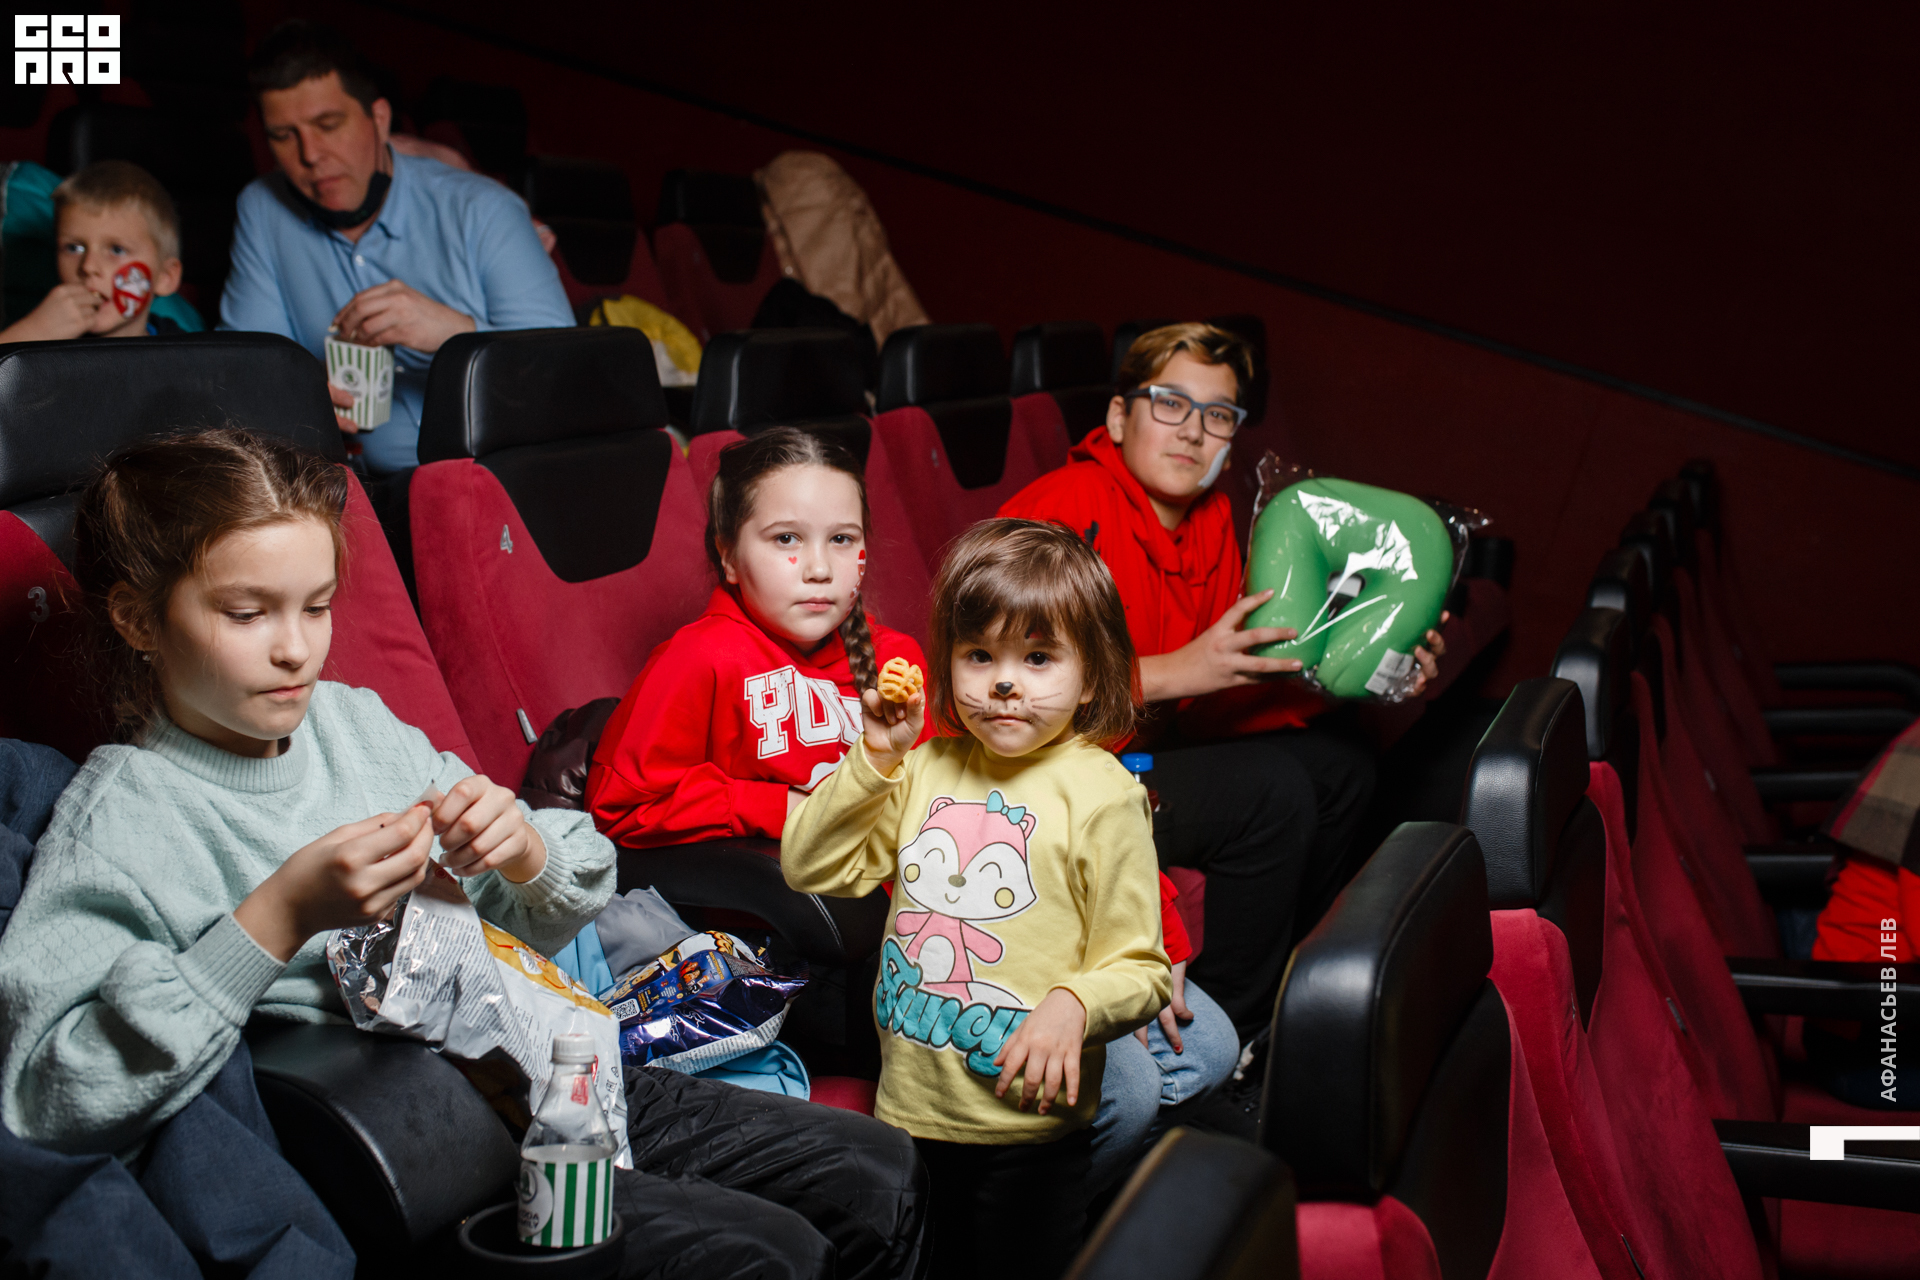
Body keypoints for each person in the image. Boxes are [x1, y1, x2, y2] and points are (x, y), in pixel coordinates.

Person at [0, 427, 925, 1280]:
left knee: (878, 1173)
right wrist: (274, 920)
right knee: (772, 1258)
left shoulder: (353, 723)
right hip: (427, 1144)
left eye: (317, 608)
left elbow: (552, 902)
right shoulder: (123, 817)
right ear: (138, 621)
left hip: (545, 1068)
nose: (296, 651)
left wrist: (521, 851)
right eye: (247, 614)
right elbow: (42, 1098)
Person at [997, 323, 1447, 1040]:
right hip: (1047, 775)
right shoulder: (1061, 510)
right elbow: (1005, 690)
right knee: (1271, 791)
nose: (1192, 431)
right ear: (1120, 417)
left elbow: (1217, 688)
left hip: (1138, 751)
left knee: (1342, 766)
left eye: (1217, 415)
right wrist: (1181, 670)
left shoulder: (1211, 519)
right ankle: (1230, 1029)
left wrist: (1377, 666)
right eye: (1170, 404)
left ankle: (1295, 995)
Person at [784, 518, 1171, 1280]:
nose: (1003, 682)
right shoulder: (924, 767)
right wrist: (874, 756)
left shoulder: (1103, 797)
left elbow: (1142, 968)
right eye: (979, 655)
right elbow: (809, 864)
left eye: (1037, 657)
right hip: (909, 1115)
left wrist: (1074, 1004)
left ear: (1092, 676)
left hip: (1028, 1137)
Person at [220, 21, 571, 476]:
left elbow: (565, 376)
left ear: (380, 119)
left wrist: (455, 334)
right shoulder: (261, 208)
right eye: (284, 135)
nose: (310, 154)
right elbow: (246, 371)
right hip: (349, 489)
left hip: (500, 478)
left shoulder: (485, 209)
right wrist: (296, 397)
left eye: (328, 125)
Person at [586, 427, 932, 847]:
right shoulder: (701, 658)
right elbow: (616, 809)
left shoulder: (898, 658)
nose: (819, 569)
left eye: (842, 539)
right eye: (786, 538)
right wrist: (787, 808)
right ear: (729, 556)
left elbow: (947, 798)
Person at [0, 160, 187, 342]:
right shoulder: (40, 337)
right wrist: (33, 333)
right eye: (73, 248)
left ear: (165, 277)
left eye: (117, 249)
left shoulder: (184, 351)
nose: (88, 266)